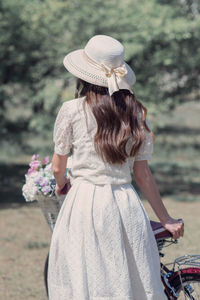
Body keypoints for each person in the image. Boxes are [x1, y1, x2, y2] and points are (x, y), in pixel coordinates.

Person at [47, 35, 184, 300]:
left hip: (84, 203)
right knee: (129, 280)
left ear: (84, 75)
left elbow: (57, 166)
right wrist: (165, 218)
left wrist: (61, 183)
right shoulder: (135, 114)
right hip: (124, 203)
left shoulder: (72, 109)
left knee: (83, 278)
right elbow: (142, 175)